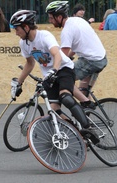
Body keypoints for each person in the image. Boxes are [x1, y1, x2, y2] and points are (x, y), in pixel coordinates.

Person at [9, 10, 99, 144]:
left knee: (66, 97)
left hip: (63, 68)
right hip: (49, 76)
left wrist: (54, 70)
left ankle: (89, 128)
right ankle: (79, 134)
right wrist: (19, 83)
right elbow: (29, 63)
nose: (16, 33)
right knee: (54, 111)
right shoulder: (24, 44)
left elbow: (57, 55)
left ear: (26, 27)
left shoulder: (44, 36)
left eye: (17, 29)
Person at [45, 1, 108, 109]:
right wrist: (68, 57)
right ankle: (87, 111)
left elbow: (61, 57)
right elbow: (73, 48)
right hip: (99, 58)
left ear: (59, 17)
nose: (50, 21)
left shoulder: (67, 31)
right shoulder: (78, 20)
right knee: (82, 91)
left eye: (51, 18)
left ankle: (86, 103)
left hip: (92, 61)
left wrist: (52, 69)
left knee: (64, 77)